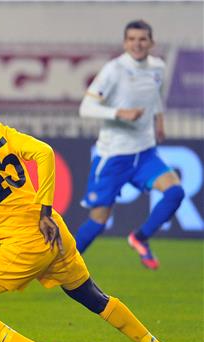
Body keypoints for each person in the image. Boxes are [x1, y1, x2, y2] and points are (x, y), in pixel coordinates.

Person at [0, 98, 191, 342]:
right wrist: (45, 210)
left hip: (21, 248)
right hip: (53, 233)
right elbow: (44, 153)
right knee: (94, 297)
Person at [75, 20, 184, 269]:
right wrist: (118, 113)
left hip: (144, 153)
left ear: (151, 43)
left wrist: (159, 122)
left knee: (175, 192)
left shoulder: (158, 67)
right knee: (98, 220)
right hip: (114, 155)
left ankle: (140, 237)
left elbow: (155, 96)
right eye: (132, 39)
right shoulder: (114, 70)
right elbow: (86, 108)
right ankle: (65, 263)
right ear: (125, 43)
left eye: (142, 39)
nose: (137, 44)